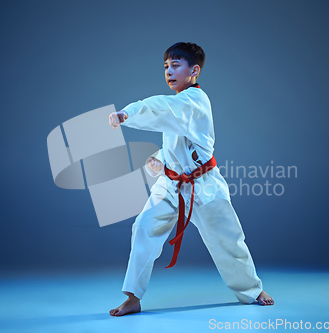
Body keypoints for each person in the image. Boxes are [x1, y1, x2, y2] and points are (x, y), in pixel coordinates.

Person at [108, 42, 274, 317]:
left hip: (204, 184)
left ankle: (252, 290)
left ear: (194, 70)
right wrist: (159, 160)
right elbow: (178, 140)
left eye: (175, 65)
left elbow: (164, 109)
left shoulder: (195, 101)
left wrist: (128, 113)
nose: (169, 71)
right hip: (171, 185)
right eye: (165, 67)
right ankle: (133, 297)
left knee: (228, 240)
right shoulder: (178, 105)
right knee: (143, 227)